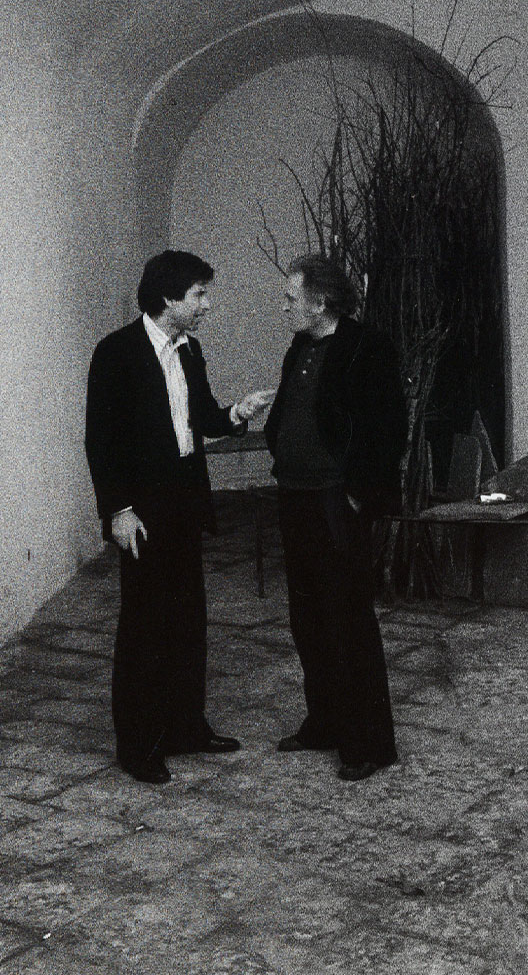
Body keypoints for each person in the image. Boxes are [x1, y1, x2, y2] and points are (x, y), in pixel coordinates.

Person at [84, 250, 273, 784]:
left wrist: (235, 413)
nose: (207, 305)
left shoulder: (190, 350)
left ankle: (186, 728)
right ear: (169, 297)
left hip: (184, 502)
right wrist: (119, 511)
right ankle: (139, 746)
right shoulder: (117, 352)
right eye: (199, 294)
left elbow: (202, 416)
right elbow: (100, 441)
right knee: (145, 628)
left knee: (187, 621)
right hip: (142, 509)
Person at [264, 256, 408, 781]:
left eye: (291, 298)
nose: (284, 307)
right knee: (307, 618)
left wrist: (359, 496)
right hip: (295, 496)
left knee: (348, 620)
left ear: (320, 301)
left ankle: (367, 744)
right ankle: (324, 722)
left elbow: (388, 429)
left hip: (336, 502)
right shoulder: (300, 346)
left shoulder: (368, 347)